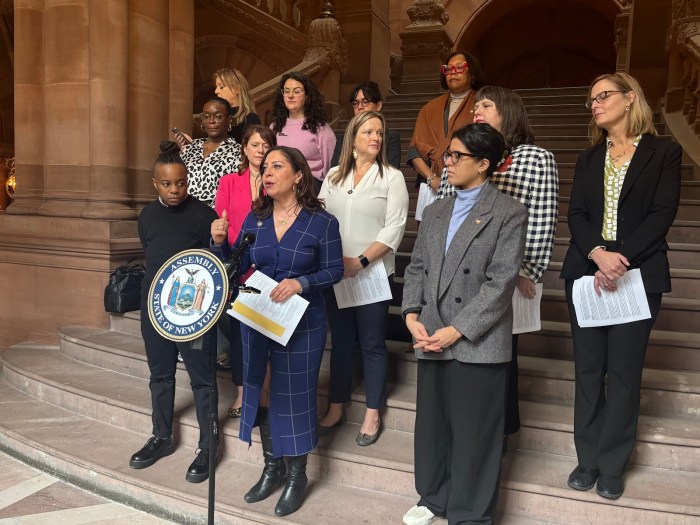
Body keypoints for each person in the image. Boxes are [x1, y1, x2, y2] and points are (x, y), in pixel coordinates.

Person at [560, 72, 681, 500]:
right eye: (591, 99)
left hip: (639, 270)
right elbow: (576, 214)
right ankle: (587, 458)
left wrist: (619, 259)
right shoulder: (589, 158)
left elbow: (663, 213)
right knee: (589, 371)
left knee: (624, 375)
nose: (595, 104)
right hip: (587, 269)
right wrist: (597, 254)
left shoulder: (663, 153)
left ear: (630, 98)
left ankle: (612, 464)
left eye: (603, 96)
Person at [401, 123, 527, 525]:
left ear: (484, 163)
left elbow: (501, 282)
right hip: (430, 331)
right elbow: (417, 266)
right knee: (434, 426)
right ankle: (434, 497)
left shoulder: (508, 212)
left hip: (477, 339)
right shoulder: (435, 209)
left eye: (457, 156)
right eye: (448, 155)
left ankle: (471, 515)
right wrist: (411, 315)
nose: (447, 162)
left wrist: (457, 330)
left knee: (476, 433)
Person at [211, 146, 344, 517]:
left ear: (299, 175)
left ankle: (297, 475)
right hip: (258, 319)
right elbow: (235, 265)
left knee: (297, 396)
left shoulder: (323, 223)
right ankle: (272, 468)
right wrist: (220, 242)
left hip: (303, 324)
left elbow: (334, 271)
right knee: (263, 390)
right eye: (265, 167)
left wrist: (301, 282)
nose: (267, 173)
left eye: (276, 166)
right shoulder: (256, 219)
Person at [440, 85, 558, 445]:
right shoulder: (458, 155)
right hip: (459, 271)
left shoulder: (535, 158)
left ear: (508, 111)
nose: (477, 110)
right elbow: (444, 212)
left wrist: (527, 271)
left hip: (506, 274)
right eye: (475, 106)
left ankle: (498, 432)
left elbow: (541, 218)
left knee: (499, 355)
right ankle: (458, 424)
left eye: (486, 105)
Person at [129, 141, 220, 484]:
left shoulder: (203, 215)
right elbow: (151, 255)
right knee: (160, 375)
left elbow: (216, 261)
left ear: (188, 180)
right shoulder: (148, 216)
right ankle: (161, 436)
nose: (175, 189)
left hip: (194, 314)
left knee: (201, 378)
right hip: (154, 309)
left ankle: (209, 444)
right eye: (167, 183)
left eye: (180, 182)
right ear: (155, 183)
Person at [318, 111, 409, 445]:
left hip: (372, 272)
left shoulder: (392, 177)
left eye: (380, 133)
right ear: (353, 138)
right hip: (336, 272)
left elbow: (395, 226)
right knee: (340, 341)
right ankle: (337, 404)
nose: (376, 137)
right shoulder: (333, 176)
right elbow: (323, 219)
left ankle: (373, 411)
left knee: (371, 342)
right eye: (368, 131)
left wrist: (361, 260)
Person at [214, 125, 276, 418]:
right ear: (245, 148)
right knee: (239, 335)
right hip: (237, 263)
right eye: (255, 144)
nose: (260, 150)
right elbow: (222, 220)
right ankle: (241, 394)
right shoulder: (229, 182)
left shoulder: (276, 180)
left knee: (265, 332)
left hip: (268, 265)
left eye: (266, 145)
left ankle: (264, 392)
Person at [407, 50, 484, 222]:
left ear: (471, 73)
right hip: (432, 184)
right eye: (448, 69)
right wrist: (431, 179)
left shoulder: (483, 104)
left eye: (459, 67)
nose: (453, 73)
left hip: (468, 185)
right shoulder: (429, 108)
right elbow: (414, 152)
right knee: (429, 241)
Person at [270, 72, 336, 192]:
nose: (290, 95)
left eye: (297, 91)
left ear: (307, 95)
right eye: (286, 91)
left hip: (310, 188)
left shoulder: (320, 128)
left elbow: (331, 167)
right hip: (279, 187)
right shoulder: (274, 127)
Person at [180, 96, 242, 208]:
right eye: (206, 116)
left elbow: (237, 191)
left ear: (229, 120)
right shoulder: (191, 147)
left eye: (218, 116)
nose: (211, 121)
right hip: (185, 213)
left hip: (217, 217)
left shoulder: (238, 151)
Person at [330, 81, 401, 169]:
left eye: (365, 102)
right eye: (356, 103)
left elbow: (391, 172)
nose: (360, 107)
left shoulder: (390, 138)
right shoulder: (343, 138)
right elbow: (335, 171)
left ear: (378, 105)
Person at [213, 67, 261, 144]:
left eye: (221, 87)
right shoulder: (215, 116)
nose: (216, 91)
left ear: (236, 89)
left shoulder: (250, 119)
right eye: (216, 87)